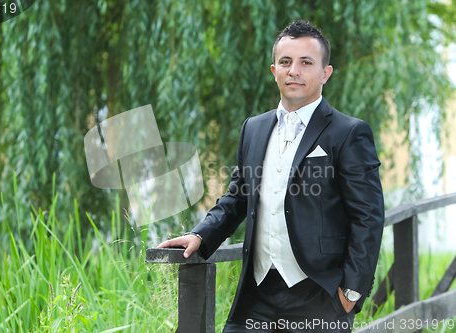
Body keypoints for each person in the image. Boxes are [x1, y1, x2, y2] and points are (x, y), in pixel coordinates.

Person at [158, 20, 384, 332]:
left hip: (320, 293)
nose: (294, 71)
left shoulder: (349, 132)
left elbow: (368, 216)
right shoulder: (254, 128)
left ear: (325, 73)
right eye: (286, 62)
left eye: (306, 62)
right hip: (257, 294)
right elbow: (237, 197)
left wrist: (352, 292)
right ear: (273, 70)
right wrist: (201, 235)